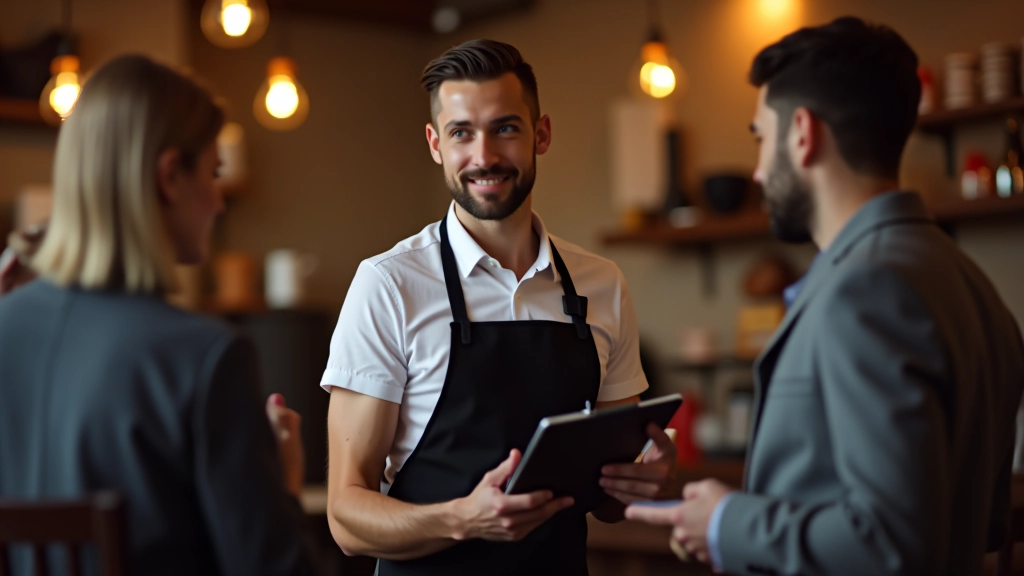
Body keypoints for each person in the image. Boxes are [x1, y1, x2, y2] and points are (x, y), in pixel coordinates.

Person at [625, 16, 1024, 576]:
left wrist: (727, 522)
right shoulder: (973, 285)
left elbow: (893, 540)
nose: (759, 173)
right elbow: (983, 525)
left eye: (761, 138)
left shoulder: (863, 290)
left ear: (803, 134)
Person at [322, 39, 680, 575]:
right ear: (435, 143)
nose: (484, 156)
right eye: (461, 132)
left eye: (505, 128)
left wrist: (641, 479)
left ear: (541, 134)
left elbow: (607, 501)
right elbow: (346, 519)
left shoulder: (601, 284)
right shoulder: (389, 285)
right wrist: (462, 519)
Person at [0, 55, 318, 576]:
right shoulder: (204, 356)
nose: (218, 203)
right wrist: (281, 482)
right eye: (213, 174)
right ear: (171, 175)